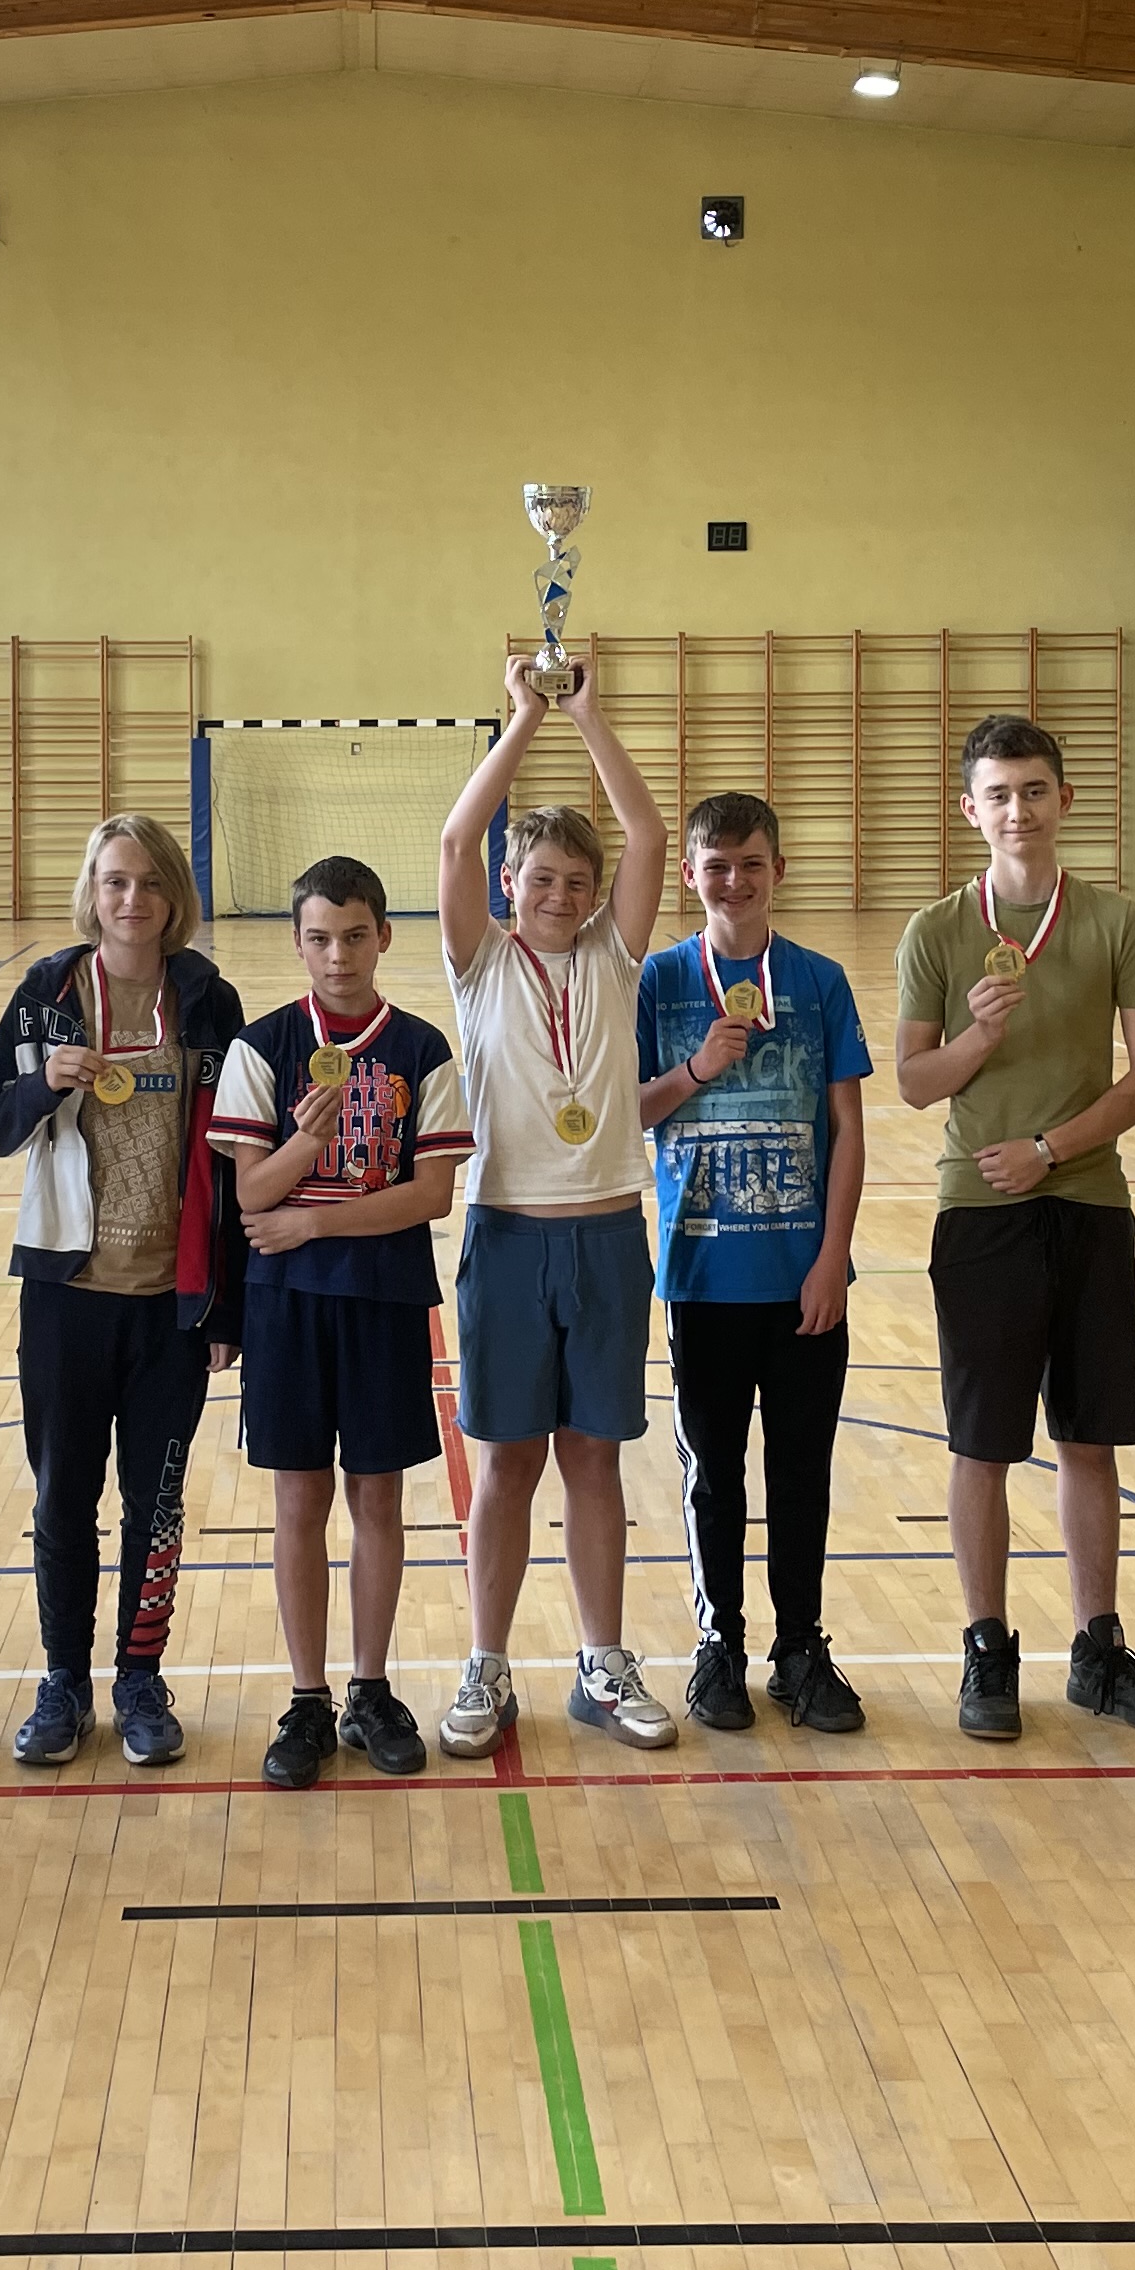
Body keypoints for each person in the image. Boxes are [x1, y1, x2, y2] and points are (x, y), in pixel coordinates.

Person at [893, 713, 1135, 1743]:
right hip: (979, 1210)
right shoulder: (937, 930)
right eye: (998, 794)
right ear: (968, 810)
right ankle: (987, 1649)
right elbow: (914, 1082)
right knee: (981, 1444)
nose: (1017, 810)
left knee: (1089, 1438)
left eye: (1033, 790)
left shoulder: (1114, 922)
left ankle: (1098, 1649)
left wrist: (1049, 1150)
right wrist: (980, 1036)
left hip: (1089, 1201)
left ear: (1064, 799)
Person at [0, 813, 251, 1770]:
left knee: (156, 1502)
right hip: (67, 1296)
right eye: (115, 881)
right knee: (63, 1497)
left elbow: (234, 1159)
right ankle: (63, 1680)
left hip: (172, 1301)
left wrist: (227, 1303)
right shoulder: (47, 995)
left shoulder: (207, 998)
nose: (132, 899)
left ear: (176, 896)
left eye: (150, 882)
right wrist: (41, 1085)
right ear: (92, 893)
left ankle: (139, 1678)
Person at [434, 656, 675, 1757]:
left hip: (609, 1232)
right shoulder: (480, 963)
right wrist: (525, 720)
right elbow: (455, 842)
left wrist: (589, 714)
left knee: (593, 1459)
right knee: (506, 1464)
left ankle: (601, 1661)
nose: (563, 897)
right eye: (542, 879)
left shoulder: (616, 961)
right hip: (507, 1233)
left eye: (579, 882)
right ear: (510, 883)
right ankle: (486, 1662)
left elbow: (649, 834)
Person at [210, 856, 468, 1788]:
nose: (338, 955)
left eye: (355, 936)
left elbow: (430, 1196)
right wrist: (307, 1142)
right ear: (297, 943)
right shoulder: (261, 1046)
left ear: (383, 936)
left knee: (378, 1498)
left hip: (384, 1298)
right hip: (284, 1306)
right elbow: (250, 1194)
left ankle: (370, 1688)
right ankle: (308, 1697)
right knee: (298, 1500)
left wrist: (312, 1221)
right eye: (319, 938)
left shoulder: (422, 1049)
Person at [635, 790, 870, 1734]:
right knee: (714, 1474)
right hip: (702, 1277)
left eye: (751, 864)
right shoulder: (658, 981)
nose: (734, 881)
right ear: (690, 875)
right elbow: (627, 1110)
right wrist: (696, 1069)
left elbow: (848, 1129)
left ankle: (800, 1648)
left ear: (779, 870)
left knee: (803, 1470)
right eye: (717, 865)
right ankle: (719, 1645)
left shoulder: (818, 980)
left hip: (804, 1278)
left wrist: (833, 1257)